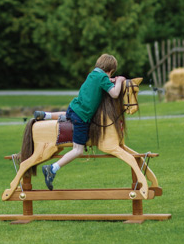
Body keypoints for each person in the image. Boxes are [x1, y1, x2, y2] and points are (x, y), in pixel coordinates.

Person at [36, 53, 126, 190]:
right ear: (110, 70)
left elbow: (102, 82)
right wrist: (119, 81)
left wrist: (111, 79)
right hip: (81, 116)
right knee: (78, 150)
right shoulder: (102, 77)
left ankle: (46, 116)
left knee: (66, 116)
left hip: (73, 108)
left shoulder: (93, 75)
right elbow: (114, 94)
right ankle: (52, 169)